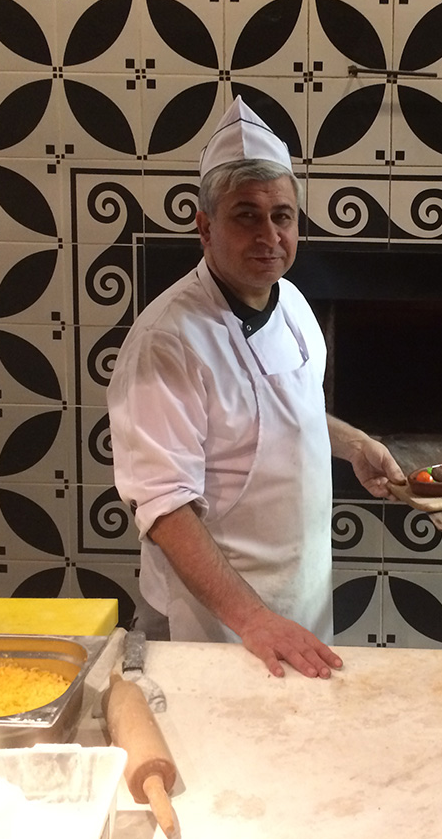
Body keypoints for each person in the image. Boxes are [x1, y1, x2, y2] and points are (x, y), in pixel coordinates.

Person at [107, 97, 404, 679]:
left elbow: (278, 407)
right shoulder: (167, 342)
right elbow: (163, 507)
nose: (269, 234)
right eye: (246, 215)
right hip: (218, 620)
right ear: (204, 226)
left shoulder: (289, 300)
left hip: (299, 601)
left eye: (283, 216)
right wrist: (255, 619)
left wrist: (352, 444)